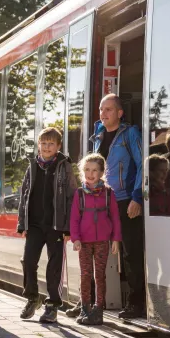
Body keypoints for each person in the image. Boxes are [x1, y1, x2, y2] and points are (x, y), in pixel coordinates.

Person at [90, 93, 145, 319]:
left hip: (124, 200)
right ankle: (94, 301)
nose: (103, 114)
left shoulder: (130, 134)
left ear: (120, 113)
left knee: (130, 253)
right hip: (100, 202)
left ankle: (136, 302)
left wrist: (137, 197)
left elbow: (143, 164)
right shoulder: (98, 137)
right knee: (96, 251)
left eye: (109, 109)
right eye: (101, 110)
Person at [17, 127, 77, 323]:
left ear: (58, 146)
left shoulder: (64, 166)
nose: (46, 147)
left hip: (56, 226)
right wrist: (22, 222)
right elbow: (24, 194)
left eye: (51, 144)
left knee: (54, 266)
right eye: (43, 143)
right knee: (28, 261)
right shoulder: (33, 165)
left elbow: (71, 196)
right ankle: (32, 298)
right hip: (34, 224)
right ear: (39, 145)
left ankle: (52, 305)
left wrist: (68, 227)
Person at [70, 154, 121, 325]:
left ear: (101, 173)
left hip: (102, 242)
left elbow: (115, 217)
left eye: (94, 170)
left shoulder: (108, 194)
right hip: (83, 242)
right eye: (87, 170)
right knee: (85, 275)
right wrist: (75, 239)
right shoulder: (79, 194)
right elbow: (74, 218)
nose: (90, 174)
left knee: (100, 275)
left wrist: (115, 239)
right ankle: (85, 308)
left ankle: (98, 311)